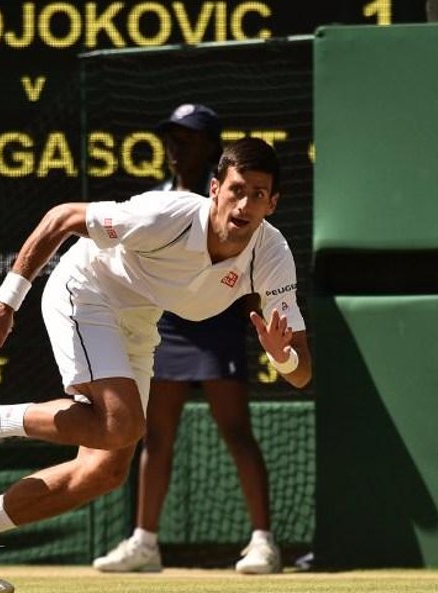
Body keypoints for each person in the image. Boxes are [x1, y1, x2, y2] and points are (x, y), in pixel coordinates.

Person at [0, 137, 312, 593]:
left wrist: (281, 355)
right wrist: (6, 303)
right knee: (121, 425)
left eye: (258, 194)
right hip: (85, 290)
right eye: (237, 189)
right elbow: (60, 218)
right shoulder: (166, 215)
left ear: (272, 203)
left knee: (104, 470)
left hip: (138, 319)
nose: (244, 204)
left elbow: (300, 372)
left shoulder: (272, 253)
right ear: (216, 187)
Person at [92, 104, 282, 575]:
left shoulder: (234, 201)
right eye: (171, 138)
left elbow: (254, 266)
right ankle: (145, 542)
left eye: (188, 139)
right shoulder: (157, 199)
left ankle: (263, 542)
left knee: (237, 432)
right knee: (155, 436)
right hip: (167, 329)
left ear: (213, 149)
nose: (176, 147)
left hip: (217, 328)